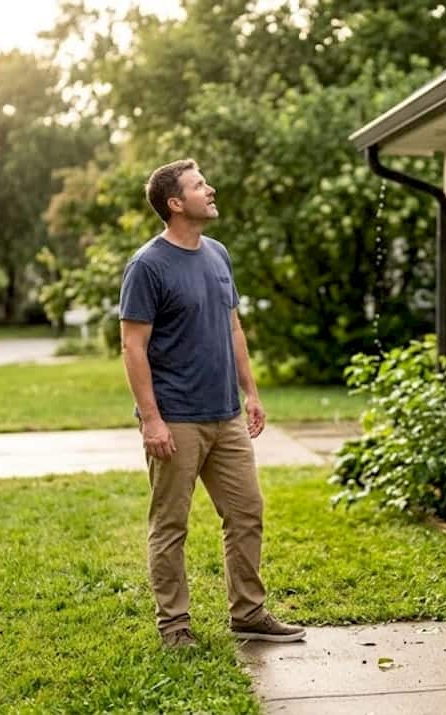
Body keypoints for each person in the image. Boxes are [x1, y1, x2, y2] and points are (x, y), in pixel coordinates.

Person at [118, 158, 305, 649]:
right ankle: (174, 626)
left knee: (246, 513)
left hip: (226, 415)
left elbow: (232, 326)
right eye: (199, 185)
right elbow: (133, 347)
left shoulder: (217, 253)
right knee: (170, 525)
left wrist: (251, 392)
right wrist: (152, 420)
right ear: (176, 203)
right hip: (176, 419)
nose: (211, 189)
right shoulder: (147, 265)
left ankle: (249, 613)